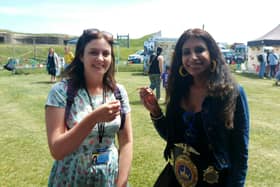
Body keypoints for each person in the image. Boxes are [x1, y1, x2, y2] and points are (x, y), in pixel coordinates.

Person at [139, 28, 250, 187]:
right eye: (186, 52)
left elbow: (240, 153)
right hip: (179, 177)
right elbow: (173, 137)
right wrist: (155, 112)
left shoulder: (232, 93)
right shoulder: (179, 90)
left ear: (212, 53)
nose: (193, 57)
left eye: (199, 50)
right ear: (180, 58)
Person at [45, 28, 133, 187]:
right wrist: (93, 118)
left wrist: (121, 183)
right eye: (93, 52)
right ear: (81, 55)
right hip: (71, 176)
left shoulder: (118, 92)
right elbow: (57, 150)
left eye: (106, 53)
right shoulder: (61, 92)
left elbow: (126, 141)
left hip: (109, 177)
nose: (100, 58)